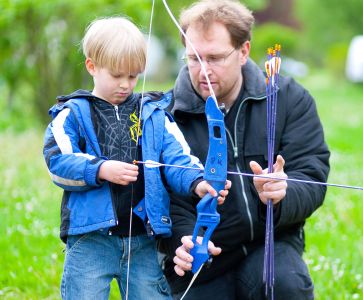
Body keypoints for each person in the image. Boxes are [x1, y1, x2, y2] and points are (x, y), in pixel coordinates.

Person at [43, 16, 230, 300]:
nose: (126, 85)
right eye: (116, 75)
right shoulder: (73, 114)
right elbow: (58, 163)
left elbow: (177, 158)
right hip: (90, 240)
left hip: (143, 238)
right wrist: (101, 169)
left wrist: (197, 182)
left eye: (133, 76)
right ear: (92, 66)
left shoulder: (152, 113)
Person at [157, 1, 330, 299]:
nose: (204, 71)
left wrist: (282, 194)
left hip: (271, 245)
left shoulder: (289, 99)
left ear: (244, 51)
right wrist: (183, 240)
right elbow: (163, 196)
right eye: (194, 59)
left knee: (284, 285)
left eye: (215, 58)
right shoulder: (165, 116)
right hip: (203, 257)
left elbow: (312, 174)